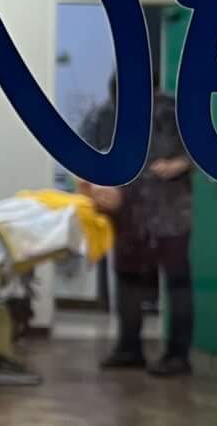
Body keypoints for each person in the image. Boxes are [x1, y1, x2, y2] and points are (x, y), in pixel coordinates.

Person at [79, 72, 195, 376]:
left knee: (176, 280)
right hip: (127, 209)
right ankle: (129, 348)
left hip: (170, 210)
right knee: (128, 279)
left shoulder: (174, 111)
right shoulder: (104, 115)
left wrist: (178, 164)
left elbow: (205, 151)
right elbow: (84, 156)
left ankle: (178, 355)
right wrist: (93, 186)